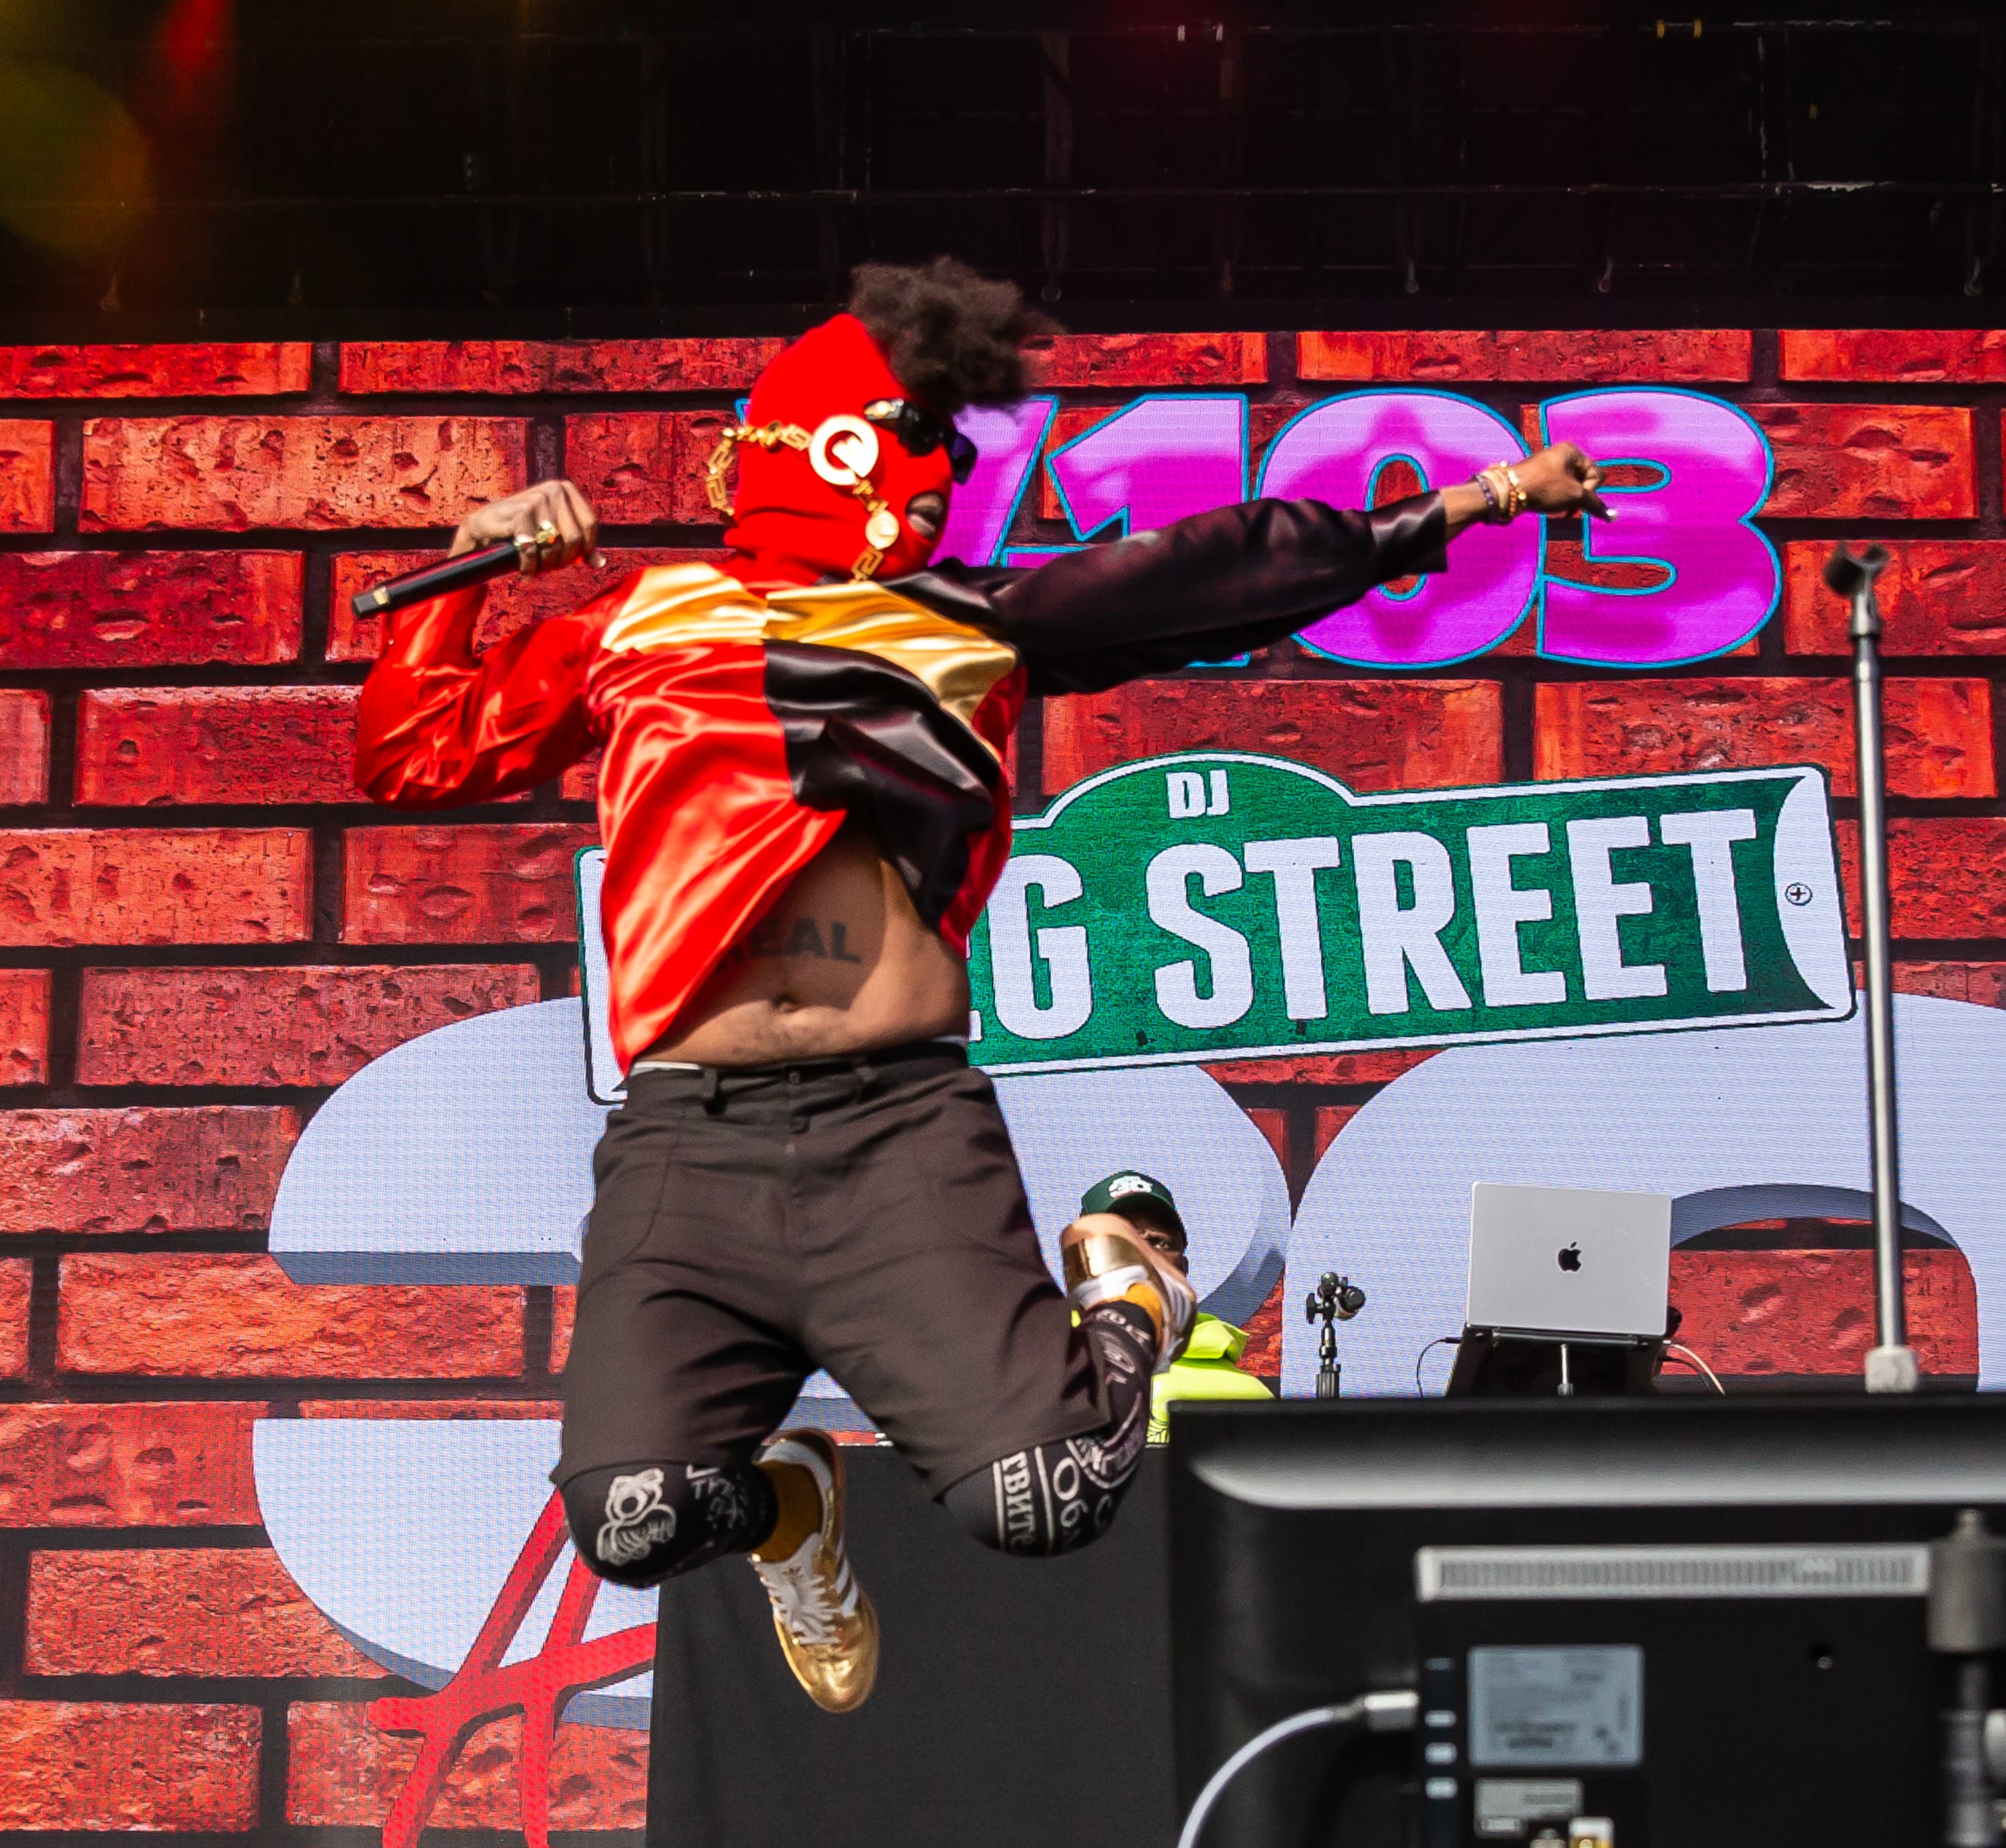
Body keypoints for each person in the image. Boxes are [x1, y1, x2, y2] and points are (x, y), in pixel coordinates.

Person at [352, 257, 1611, 1714]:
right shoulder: (641, 621)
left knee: (1052, 1491)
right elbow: (412, 753)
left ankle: (1130, 1271)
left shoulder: (968, 621)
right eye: (928, 447)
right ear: (846, 448)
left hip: (898, 1131)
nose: (946, 481)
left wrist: (1469, 504)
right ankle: (792, 1511)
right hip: (689, 1141)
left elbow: (1224, 564)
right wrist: (475, 556)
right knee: (631, 1516)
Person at [1072, 1171, 1276, 1441]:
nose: (1143, 1256)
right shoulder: (1035, 1375)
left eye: (1158, 1242)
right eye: (1119, 1242)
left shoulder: (1251, 1400)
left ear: (1183, 1269)